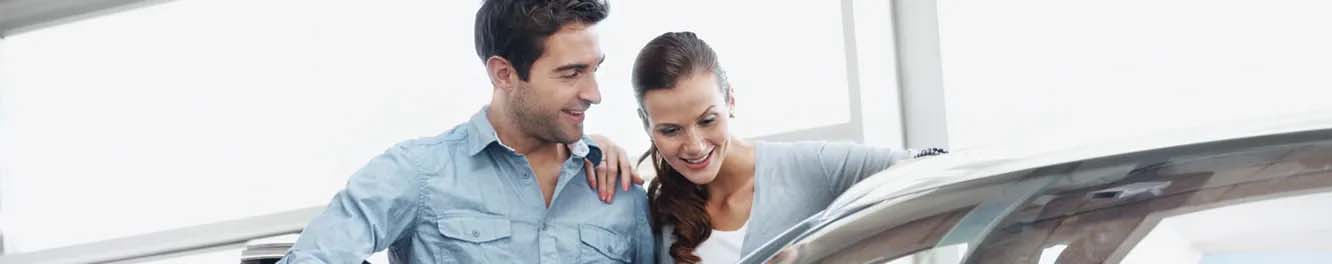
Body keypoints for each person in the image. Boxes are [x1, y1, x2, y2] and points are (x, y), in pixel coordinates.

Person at [278, 0, 653, 263]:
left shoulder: (619, 190)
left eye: (594, 69)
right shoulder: (418, 173)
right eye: (571, 73)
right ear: (503, 73)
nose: (594, 94)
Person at [631, 32, 944, 264]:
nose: (695, 146)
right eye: (671, 130)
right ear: (646, 124)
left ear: (730, 101)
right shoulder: (657, 207)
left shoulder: (808, 166)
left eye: (708, 120)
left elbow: (931, 167)